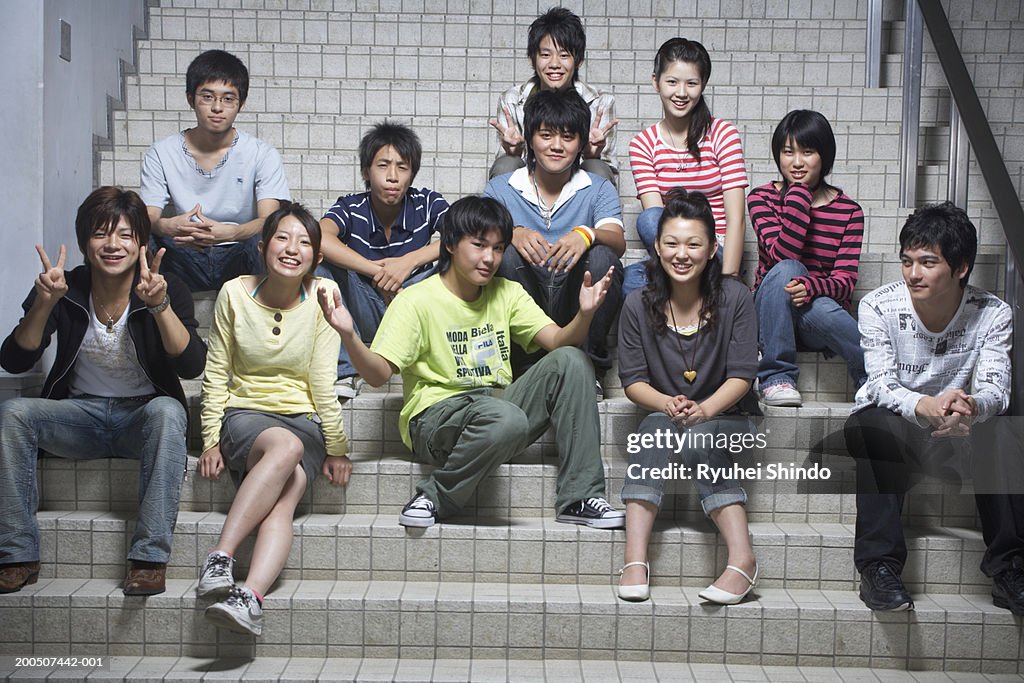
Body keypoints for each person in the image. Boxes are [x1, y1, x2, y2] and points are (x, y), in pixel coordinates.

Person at [318, 195, 624, 530]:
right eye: (479, 245)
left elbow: (558, 341)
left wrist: (584, 314)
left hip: (497, 412)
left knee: (572, 360)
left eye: (497, 248)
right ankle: (434, 496)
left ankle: (579, 496)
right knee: (505, 417)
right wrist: (348, 335)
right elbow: (377, 375)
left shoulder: (506, 292)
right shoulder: (415, 300)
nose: (490, 258)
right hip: (436, 416)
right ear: (449, 243)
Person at [0, 186, 205, 596]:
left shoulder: (165, 287)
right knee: (12, 414)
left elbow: (192, 366)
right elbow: (14, 361)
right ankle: (17, 554)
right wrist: (44, 303)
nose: (113, 245)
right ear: (83, 242)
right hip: (79, 417)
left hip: (141, 418)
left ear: (142, 243)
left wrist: (160, 306)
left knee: (168, 412)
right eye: (101, 234)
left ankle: (148, 559)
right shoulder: (65, 287)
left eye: (126, 235)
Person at [845, 202, 1024, 615]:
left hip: (959, 431)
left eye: (928, 262)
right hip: (898, 423)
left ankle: (1009, 568)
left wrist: (971, 408)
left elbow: (997, 389)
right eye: (907, 261)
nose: (913, 274)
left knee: (1003, 429)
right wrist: (926, 404)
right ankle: (879, 569)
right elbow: (881, 385)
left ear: (961, 268)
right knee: (874, 424)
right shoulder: (879, 306)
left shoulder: (993, 313)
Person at [197, 203, 350, 636]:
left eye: (305, 242)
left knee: (290, 491)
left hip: (303, 419)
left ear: (317, 258)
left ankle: (251, 597)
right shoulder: (233, 293)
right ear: (263, 247)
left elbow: (323, 381)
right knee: (286, 447)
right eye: (283, 238)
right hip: (247, 416)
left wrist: (336, 447)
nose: (292, 249)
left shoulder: (324, 298)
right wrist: (209, 439)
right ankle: (221, 558)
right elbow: (216, 372)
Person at [616, 188, 759, 604]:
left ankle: (743, 559)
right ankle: (635, 559)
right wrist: (665, 402)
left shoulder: (736, 298)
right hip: (668, 412)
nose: (683, 253)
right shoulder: (637, 304)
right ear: (657, 246)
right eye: (673, 243)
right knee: (655, 431)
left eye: (694, 244)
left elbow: (742, 375)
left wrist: (705, 409)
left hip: (728, 414)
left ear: (712, 248)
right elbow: (633, 380)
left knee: (698, 439)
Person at [485, 88, 625, 388]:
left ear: (581, 143)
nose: (556, 146)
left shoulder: (598, 187)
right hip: (526, 292)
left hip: (575, 295)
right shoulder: (501, 187)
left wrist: (586, 233)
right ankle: (524, 365)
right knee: (501, 253)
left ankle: (590, 367)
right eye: (546, 135)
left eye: (568, 137)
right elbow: (476, 239)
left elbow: (617, 240)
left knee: (603, 257)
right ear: (530, 139)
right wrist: (511, 233)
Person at [140, 49, 291, 291]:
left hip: (238, 253)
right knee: (137, 235)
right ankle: (147, 312)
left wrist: (231, 232)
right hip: (183, 252)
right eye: (207, 97)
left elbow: (269, 219)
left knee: (270, 239)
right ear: (191, 99)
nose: (217, 108)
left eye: (228, 99)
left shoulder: (262, 154)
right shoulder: (161, 152)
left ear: (241, 104)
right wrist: (169, 226)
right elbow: (148, 217)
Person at [319, 121, 449, 396]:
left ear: (412, 174)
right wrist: (376, 272)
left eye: (402, 167)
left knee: (457, 260)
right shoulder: (351, 207)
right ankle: (347, 370)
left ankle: (439, 359)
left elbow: (465, 233)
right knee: (321, 264)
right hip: (364, 305)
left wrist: (408, 262)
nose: (392, 176)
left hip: (412, 303)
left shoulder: (426, 203)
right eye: (383, 165)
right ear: (366, 172)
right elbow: (319, 236)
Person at [749, 110, 866, 407]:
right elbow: (781, 256)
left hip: (814, 320)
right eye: (788, 152)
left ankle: (872, 378)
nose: (797, 162)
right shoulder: (761, 197)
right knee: (788, 268)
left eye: (808, 152)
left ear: (824, 155)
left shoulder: (850, 212)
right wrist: (799, 196)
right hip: (771, 307)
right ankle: (776, 377)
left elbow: (846, 282)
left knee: (824, 307)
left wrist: (812, 288)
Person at [625, 38, 748, 293]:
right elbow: (657, 225)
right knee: (630, 276)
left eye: (691, 83)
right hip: (674, 251)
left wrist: (729, 280)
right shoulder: (642, 144)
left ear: (702, 85)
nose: (681, 93)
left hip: (715, 248)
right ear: (655, 82)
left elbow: (736, 218)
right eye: (672, 82)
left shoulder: (723, 134)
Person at [488, 7, 619, 184]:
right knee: (505, 165)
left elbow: (608, 170)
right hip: (529, 184)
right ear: (531, 58)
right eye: (545, 55)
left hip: (576, 186)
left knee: (597, 169)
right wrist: (515, 152)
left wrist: (590, 155)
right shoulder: (512, 100)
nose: (555, 64)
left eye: (564, 55)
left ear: (579, 60)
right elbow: (504, 163)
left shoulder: (600, 102)